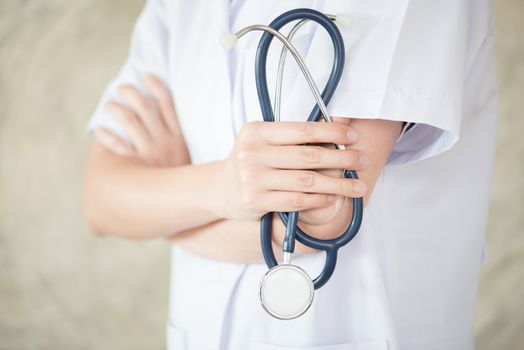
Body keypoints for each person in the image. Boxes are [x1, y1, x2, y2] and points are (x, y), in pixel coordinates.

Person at [81, 0, 497, 349]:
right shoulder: (175, 8)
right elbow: (99, 201)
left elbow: (325, 218)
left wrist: (164, 207)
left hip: (360, 327)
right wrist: (219, 187)